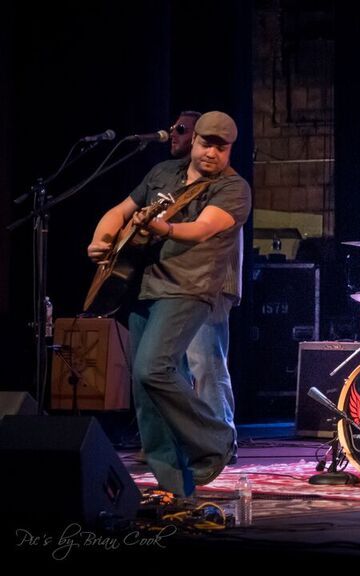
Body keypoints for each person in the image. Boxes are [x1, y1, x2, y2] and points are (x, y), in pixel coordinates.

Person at [88, 111, 251, 496]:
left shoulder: (233, 188)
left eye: (221, 147)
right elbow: (120, 210)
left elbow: (201, 229)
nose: (212, 152)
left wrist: (164, 227)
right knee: (144, 390)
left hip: (189, 288)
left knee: (153, 369)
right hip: (144, 286)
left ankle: (215, 439)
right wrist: (102, 239)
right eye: (206, 143)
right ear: (194, 141)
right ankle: (176, 487)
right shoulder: (162, 173)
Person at [170, 109, 241, 463]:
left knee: (207, 362)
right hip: (185, 284)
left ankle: (222, 442)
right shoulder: (180, 179)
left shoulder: (224, 184)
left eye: (182, 129)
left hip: (211, 283)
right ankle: (194, 440)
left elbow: (202, 232)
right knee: (182, 366)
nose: (173, 134)